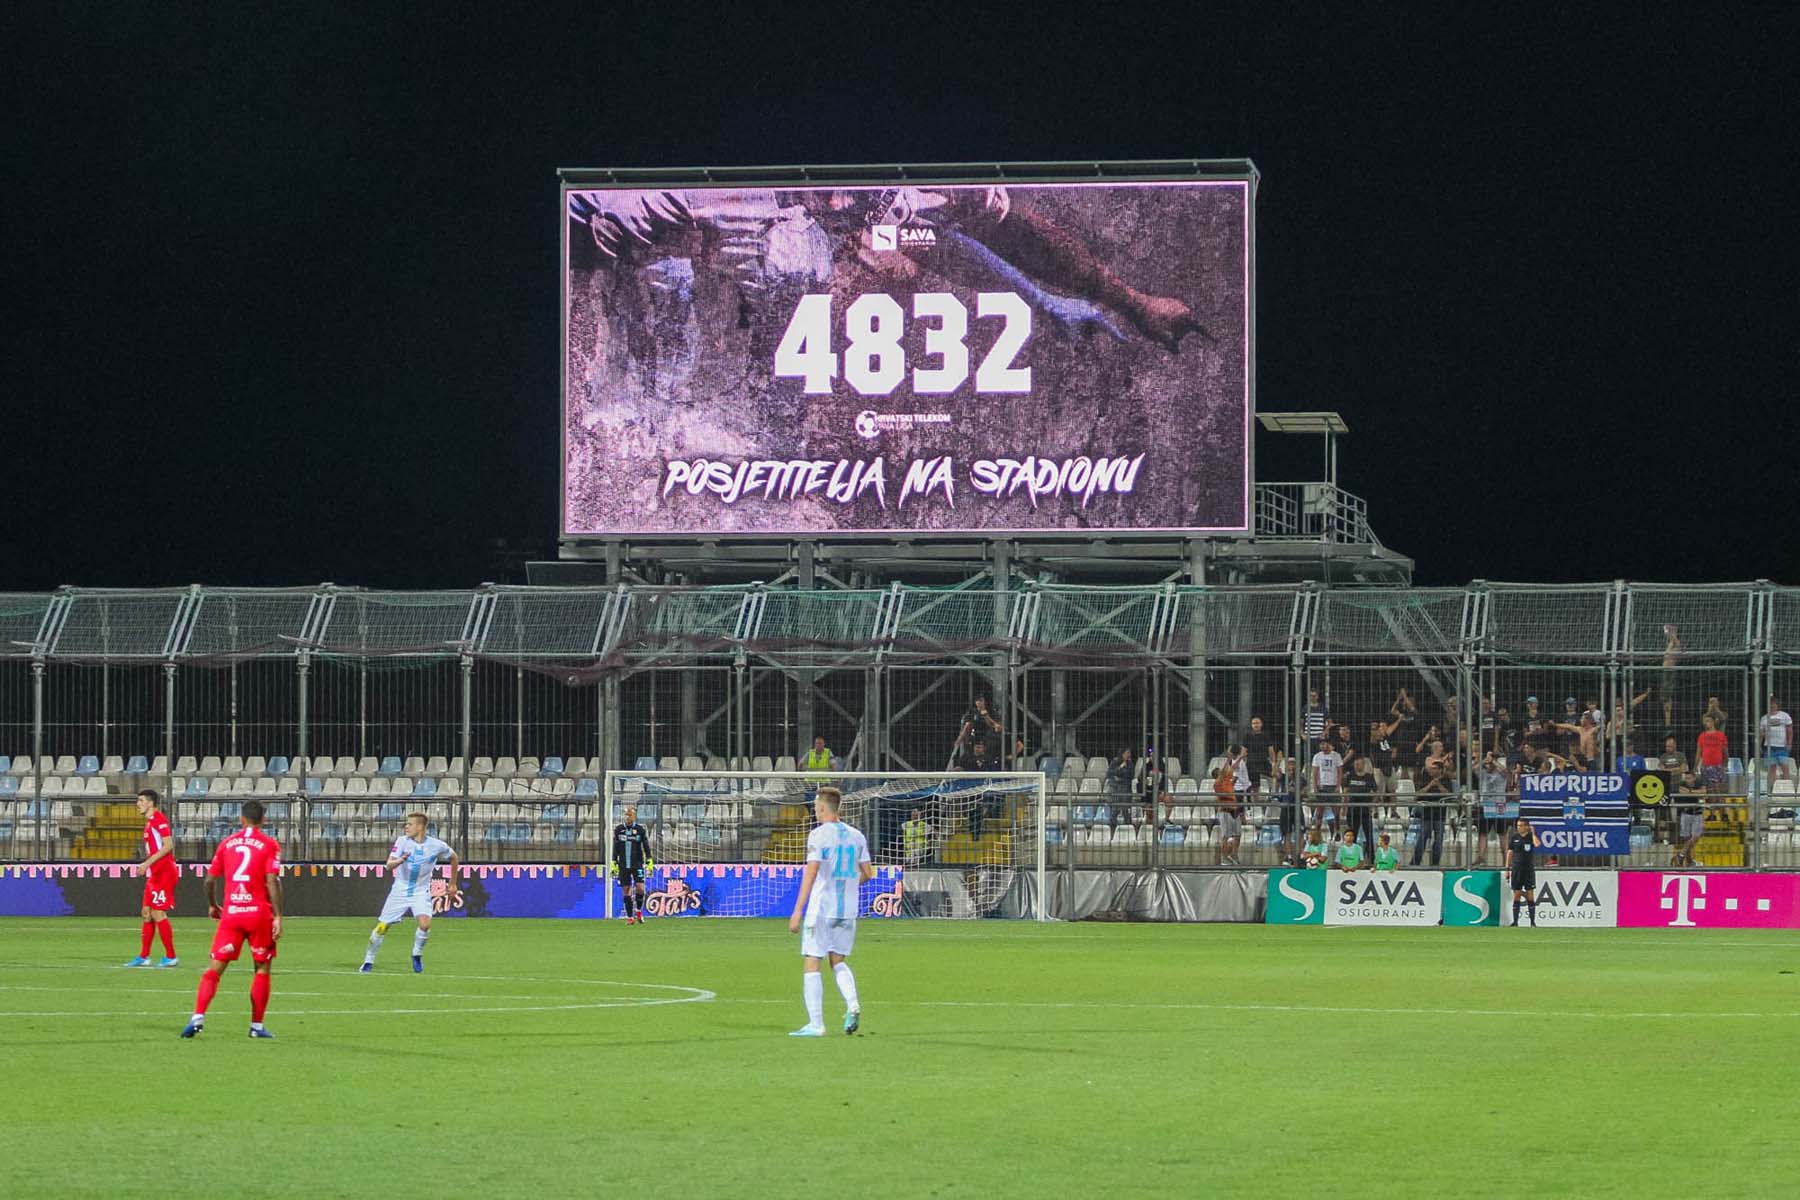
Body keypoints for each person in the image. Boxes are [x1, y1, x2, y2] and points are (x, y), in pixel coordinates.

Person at [180, 800, 283, 1039]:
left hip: (232, 914)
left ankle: (197, 1016)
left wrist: (212, 905)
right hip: (259, 915)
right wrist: (278, 916)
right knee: (262, 968)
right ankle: (257, 1026)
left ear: (241, 819)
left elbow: (209, 880)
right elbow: (272, 881)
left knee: (215, 968)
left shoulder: (227, 843)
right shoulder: (269, 844)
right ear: (263, 820)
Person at [787, 787, 873, 1037]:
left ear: (823, 808)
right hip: (847, 910)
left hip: (822, 909)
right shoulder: (857, 835)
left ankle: (816, 1024)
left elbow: (811, 872)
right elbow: (868, 873)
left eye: (816, 806)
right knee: (838, 962)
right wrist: (849, 885)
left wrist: (797, 911)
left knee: (812, 961)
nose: (815, 810)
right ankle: (853, 1005)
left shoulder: (818, 835)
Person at [361, 813, 461, 971]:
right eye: (406, 824)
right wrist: (400, 860)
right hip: (400, 890)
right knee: (382, 927)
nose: (406, 827)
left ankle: (416, 954)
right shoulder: (402, 842)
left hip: (420, 891)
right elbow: (388, 865)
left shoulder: (436, 845)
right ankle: (369, 960)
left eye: (410, 824)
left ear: (420, 827)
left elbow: (454, 858)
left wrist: (453, 883)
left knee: (425, 925)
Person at [124, 788, 179, 968]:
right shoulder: (149, 822)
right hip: (155, 873)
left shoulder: (159, 820)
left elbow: (169, 845)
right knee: (146, 913)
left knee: (158, 913)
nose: (138, 804)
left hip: (165, 872)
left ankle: (171, 957)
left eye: (141, 801)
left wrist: (146, 863)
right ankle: (144, 956)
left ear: (150, 803)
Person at [610, 804, 655, 924]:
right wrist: (614, 862)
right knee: (626, 890)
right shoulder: (619, 829)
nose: (628, 817)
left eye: (630, 815)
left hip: (637, 864)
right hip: (623, 864)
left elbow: (645, 845)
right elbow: (615, 847)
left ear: (634, 816)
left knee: (640, 888)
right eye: (626, 815)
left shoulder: (640, 830)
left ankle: (639, 911)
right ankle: (630, 917)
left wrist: (649, 860)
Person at [1474, 752, 1515, 866]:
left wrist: (1493, 761)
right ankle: (1481, 858)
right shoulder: (1482, 774)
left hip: (1499, 806)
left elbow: (1507, 773)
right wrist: (1485, 760)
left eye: (1490, 763)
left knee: (1502, 834)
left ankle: (1506, 860)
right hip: (1485, 806)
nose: (1488, 765)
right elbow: (1474, 769)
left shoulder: (1501, 774)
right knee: (1483, 833)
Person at [1409, 762, 1451, 867]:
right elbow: (1418, 795)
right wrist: (1430, 785)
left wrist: (1439, 785)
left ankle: (1435, 863)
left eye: (1434, 768)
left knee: (1438, 840)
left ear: (1440, 770)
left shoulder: (1446, 780)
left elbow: (1450, 795)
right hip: (1427, 814)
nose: (1431, 770)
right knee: (1422, 838)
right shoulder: (1426, 780)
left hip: (1440, 815)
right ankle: (1415, 861)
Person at [1341, 753, 1379, 863]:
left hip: (1365, 810)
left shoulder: (1369, 777)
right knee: (1352, 835)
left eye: (1359, 764)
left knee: (1368, 835)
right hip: (1353, 810)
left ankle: (1371, 858)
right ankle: (1351, 858)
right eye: (1355, 764)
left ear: (1363, 764)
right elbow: (1345, 792)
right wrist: (1344, 808)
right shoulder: (1350, 776)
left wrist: (1372, 804)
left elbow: (1376, 793)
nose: (1357, 766)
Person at [1505, 817, 1540, 927]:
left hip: (1528, 870)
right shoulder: (1514, 838)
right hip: (1517, 869)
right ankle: (1515, 922)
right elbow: (1510, 853)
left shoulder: (1530, 837)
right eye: (1518, 825)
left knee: (1530, 895)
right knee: (1517, 895)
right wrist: (1507, 869)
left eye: (1520, 825)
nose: (1518, 827)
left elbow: (1537, 844)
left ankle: (1532, 922)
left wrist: (1533, 833)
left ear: (1526, 826)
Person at [1673, 770, 1708, 867]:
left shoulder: (1699, 782)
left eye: (1689, 778)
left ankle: (1681, 855)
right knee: (1687, 839)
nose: (1687, 780)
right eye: (1686, 778)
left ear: (1694, 778)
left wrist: (1691, 792)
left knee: (1696, 836)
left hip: (1697, 813)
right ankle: (1689, 861)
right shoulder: (1681, 783)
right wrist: (1696, 793)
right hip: (1685, 813)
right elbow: (1683, 791)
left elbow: (1704, 793)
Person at [1309, 738, 1343, 829]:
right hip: (1322, 786)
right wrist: (1315, 786)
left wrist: (1338, 785)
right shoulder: (1317, 756)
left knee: (1336, 812)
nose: (1323, 746)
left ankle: (1337, 831)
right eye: (1321, 744)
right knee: (1320, 811)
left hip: (1333, 786)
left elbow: (1340, 771)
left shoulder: (1336, 756)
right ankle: (1318, 830)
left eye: (1324, 744)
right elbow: (1315, 772)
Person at [1213, 761, 1242, 866]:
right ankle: (1224, 858)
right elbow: (1224, 772)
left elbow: (1233, 770)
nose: (1223, 772)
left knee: (1238, 834)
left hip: (1235, 811)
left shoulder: (1228, 782)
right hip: (1225, 812)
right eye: (1220, 772)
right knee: (1225, 836)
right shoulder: (1217, 784)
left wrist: (1240, 759)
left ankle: (1234, 854)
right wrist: (1228, 759)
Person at [1760, 697, 1793, 782]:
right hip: (1769, 747)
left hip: (1782, 747)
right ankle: (1772, 787)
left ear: (1777, 705)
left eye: (1773, 704)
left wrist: (1789, 743)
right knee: (1771, 769)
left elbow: (1790, 731)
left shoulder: (1785, 716)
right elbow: (1761, 734)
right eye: (1770, 704)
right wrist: (1759, 745)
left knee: (1785, 767)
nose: (1772, 706)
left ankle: (1787, 786)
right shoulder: (1764, 718)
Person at [1694, 715, 1728, 795]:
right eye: (1705, 722)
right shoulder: (1702, 736)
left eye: (1707, 721)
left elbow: (1725, 751)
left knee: (1719, 790)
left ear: (1713, 722)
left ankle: (1719, 803)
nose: (1705, 723)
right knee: (1709, 790)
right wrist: (1695, 766)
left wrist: (1725, 764)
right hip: (1706, 766)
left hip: (1718, 766)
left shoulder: (1721, 735)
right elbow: (1698, 753)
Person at [1303, 690, 1329, 755]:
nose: (1312, 697)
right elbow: (1301, 723)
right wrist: (1302, 734)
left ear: (1317, 696)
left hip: (1319, 737)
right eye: (1311, 696)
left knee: (1320, 756)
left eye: (1314, 696)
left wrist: (1324, 733)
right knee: (1308, 757)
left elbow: (1329, 723)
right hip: (1308, 737)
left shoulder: (1323, 708)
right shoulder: (1305, 708)